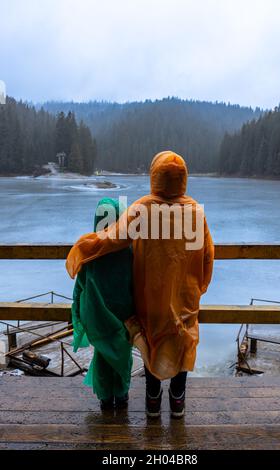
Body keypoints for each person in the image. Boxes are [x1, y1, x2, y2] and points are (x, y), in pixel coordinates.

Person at [66, 151, 214, 418]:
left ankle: (153, 400)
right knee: (183, 342)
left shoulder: (142, 209)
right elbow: (206, 255)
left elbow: (113, 238)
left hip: (151, 294)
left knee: (151, 341)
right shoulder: (195, 212)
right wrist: (200, 287)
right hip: (185, 297)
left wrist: (83, 248)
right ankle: (178, 400)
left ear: (155, 177)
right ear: (183, 179)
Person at [71, 197, 134, 410]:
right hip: (124, 314)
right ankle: (121, 393)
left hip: (97, 315)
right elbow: (138, 282)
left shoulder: (89, 248)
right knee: (123, 354)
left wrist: (78, 311)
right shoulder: (130, 250)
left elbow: (80, 284)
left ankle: (105, 398)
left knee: (102, 354)